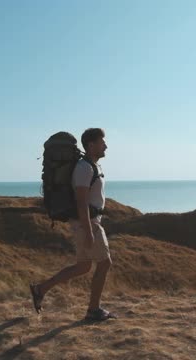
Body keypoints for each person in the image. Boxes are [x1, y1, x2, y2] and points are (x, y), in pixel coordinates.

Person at [30, 128, 116, 321]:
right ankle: (93, 310)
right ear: (91, 145)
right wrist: (88, 230)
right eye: (102, 142)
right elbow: (81, 201)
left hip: (87, 222)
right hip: (88, 223)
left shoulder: (91, 166)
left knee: (83, 266)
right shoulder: (84, 168)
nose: (106, 146)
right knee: (104, 263)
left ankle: (40, 289)